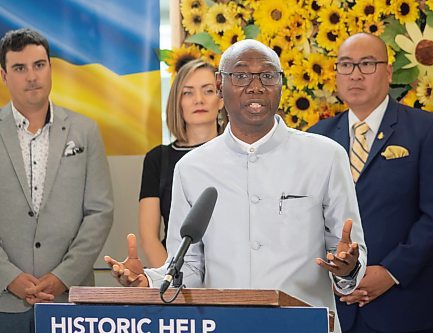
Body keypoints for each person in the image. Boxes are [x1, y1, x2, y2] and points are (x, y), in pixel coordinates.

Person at [105, 39, 367, 333]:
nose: (255, 86)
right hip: (224, 326)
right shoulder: (193, 168)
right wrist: (150, 281)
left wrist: (348, 269)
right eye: (241, 75)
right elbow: (188, 267)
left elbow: (347, 258)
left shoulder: (326, 156)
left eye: (267, 76)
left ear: (280, 85)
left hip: (304, 325)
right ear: (220, 85)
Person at [309, 33, 433, 333]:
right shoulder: (317, 137)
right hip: (336, 307)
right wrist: (340, 276)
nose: (355, 74)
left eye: (367, 64)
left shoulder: (428, 131)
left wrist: (391, 272)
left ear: (388, 72)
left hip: (407, 305)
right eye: (346, 65)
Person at [0, 28, 113, 333]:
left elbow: (99, 212)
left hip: (70, 299)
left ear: (51, 68)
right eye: (19, 68)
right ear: (4, 75)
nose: (31, 76)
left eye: (39, 65)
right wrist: (8, 276)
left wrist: (63, 275)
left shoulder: (85, 131)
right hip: (3, 302)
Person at [139, 59, 224, 267]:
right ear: (177, 102)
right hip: (176, 280)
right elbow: (149, 238)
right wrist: (173, 280)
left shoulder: (239, 153)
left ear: (221, 99)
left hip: (231, 276)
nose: (199, 100)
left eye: (208, 91)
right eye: (188, 92)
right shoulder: (157, 159)